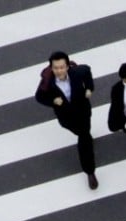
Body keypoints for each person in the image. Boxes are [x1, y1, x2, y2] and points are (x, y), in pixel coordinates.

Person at [34, 50, 98, 189]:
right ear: (51, 68)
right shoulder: (47, 81)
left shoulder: (77, 72)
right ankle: (85, 138)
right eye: (56, 68)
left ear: (67, 66)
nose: (59, 71)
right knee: (80, 133)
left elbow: (87, 72)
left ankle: (90, 171)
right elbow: (39, 97)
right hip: (66, 116)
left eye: (62, 67)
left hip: (83, 111)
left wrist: (89, 88)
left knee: (84, 136)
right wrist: (53, 100)